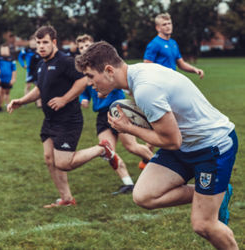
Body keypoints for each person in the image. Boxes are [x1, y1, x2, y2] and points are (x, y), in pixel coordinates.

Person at [75, 41, 239, 250]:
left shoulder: (145, 89)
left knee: (204, 225)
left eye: (90, 76)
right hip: (185, 145)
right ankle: (218, 192)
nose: (88, 82)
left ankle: (215, 195)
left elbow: (172, 141)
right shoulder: (135, 75)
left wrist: (128, 127)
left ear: (108, 70)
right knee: (144, 195)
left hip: (212, 146)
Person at [7, 26, 119, 208]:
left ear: (54, 42)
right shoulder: (42, 65)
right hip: (50, 120)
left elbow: (83, 80)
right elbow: (39, 88)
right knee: (50, 159)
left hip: (68, 120)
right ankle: (66, 199)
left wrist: (64, 99)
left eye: (45, 42)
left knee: (64, 163)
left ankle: (102, 149)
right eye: (38, 43)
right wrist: (21, 100)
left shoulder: (65, 61)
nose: (41, 46)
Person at [77, 35, 153, 194]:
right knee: (107, 150)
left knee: (132, 147)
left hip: (116, 109)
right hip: (101, 116)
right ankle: (128, 183)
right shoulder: (86, 75)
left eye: (87, 46)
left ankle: (157, 165)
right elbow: (84, 93)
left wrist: (106, 91)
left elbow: (117, 83)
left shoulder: (105, 68)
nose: (84, 49)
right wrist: (83, 100)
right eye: (81, 47)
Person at [141, 13, 206, 168]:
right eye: (164, 24)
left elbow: (181, 64)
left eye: (169, 23)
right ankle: (149, 156)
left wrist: (195, 69)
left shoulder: (173, 43)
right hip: (160, 90)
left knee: (168, 123)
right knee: (163, 124)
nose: (168, 26)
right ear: (157, 27)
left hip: (173, 89)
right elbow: (146, 66)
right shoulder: (154, 44)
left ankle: (145, 158)